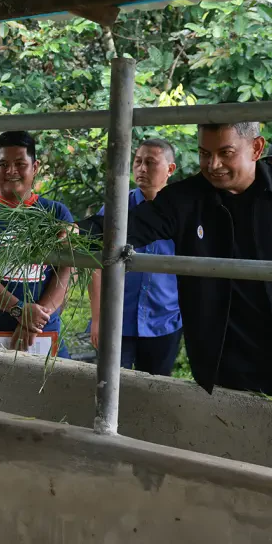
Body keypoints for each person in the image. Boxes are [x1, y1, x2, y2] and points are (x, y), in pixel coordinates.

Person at [79, 121, 272, 398]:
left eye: (226, 153)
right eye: (204, 154)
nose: (213, 164)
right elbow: (128, 225)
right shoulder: (185, 198)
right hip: (225, 363)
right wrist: (77, 231)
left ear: (256, 148)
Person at [0, 130, 75, 357]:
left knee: (51, 390)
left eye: (20, 164)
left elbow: (67, 269)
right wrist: (18, 309)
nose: (11, 171)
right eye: (3, 165)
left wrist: (33, 319)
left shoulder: (56, 212)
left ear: (35, 167)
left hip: (44, 328)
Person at [88, 139, 182, 376]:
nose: (141, 168)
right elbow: (95, 266)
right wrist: (98, 319)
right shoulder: (115, 209)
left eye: (150, 163)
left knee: (155, 390)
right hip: (117, 318)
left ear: (170, 169)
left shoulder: (183, 211)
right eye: (138, 161)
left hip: (165, 320)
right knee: (110, 384)